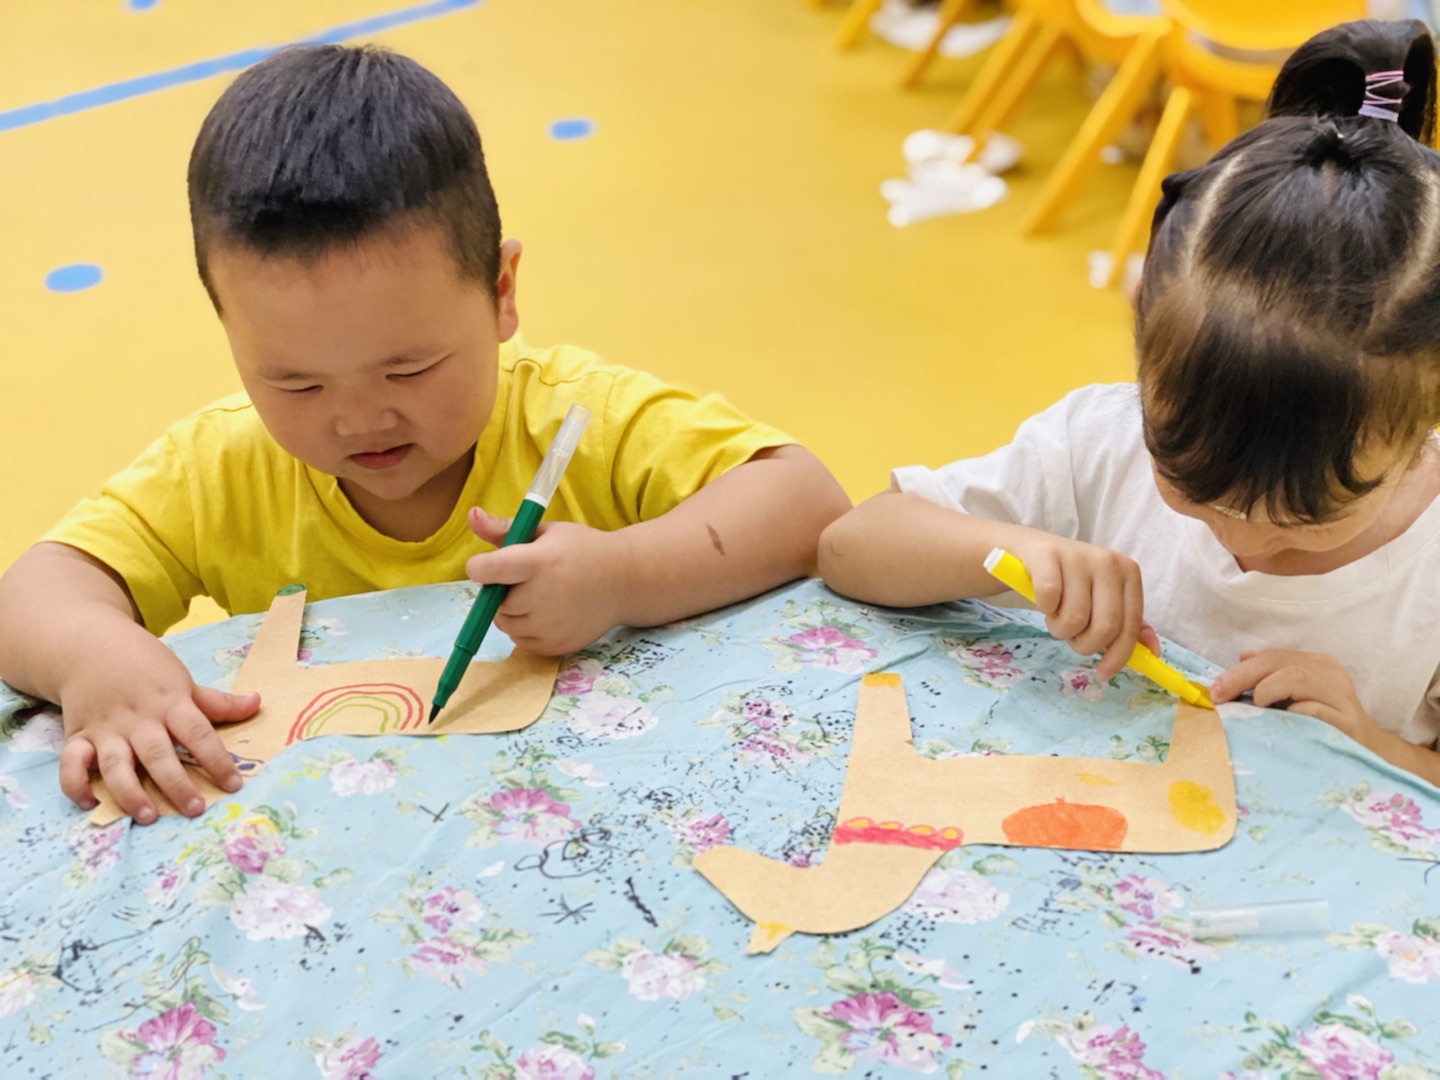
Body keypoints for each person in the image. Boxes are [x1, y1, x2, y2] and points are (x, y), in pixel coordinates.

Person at [0, 45, 850, 823]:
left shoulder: (574, 420)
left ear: (502, 291)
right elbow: (33, 593)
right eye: (296, 382)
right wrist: (94, 657)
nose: (360, 418)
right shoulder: (222, 470)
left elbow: (805, 500)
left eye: (409, 369)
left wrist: (624, 577)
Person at [820, 19, 1440, 785]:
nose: (1238, 534)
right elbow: (850, 546)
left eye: (1305, 517)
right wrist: (1013, 551)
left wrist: (1374, 746)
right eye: (1192, 483)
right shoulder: (1098, 446)